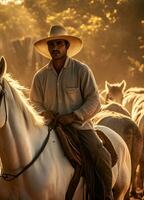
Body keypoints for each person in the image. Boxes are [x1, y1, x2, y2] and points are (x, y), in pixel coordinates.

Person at [30, 25, 113, 200]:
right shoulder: (40, 76)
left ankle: (106, 196)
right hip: (49, 128)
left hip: (80, 128)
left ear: (67, 46)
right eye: (51, 44)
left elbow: (94, 100)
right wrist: (45, 113)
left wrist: (74, 115)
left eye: (59, 44)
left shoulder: (82, 70)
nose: (54, 48)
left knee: (102, 157)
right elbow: (34, 103)